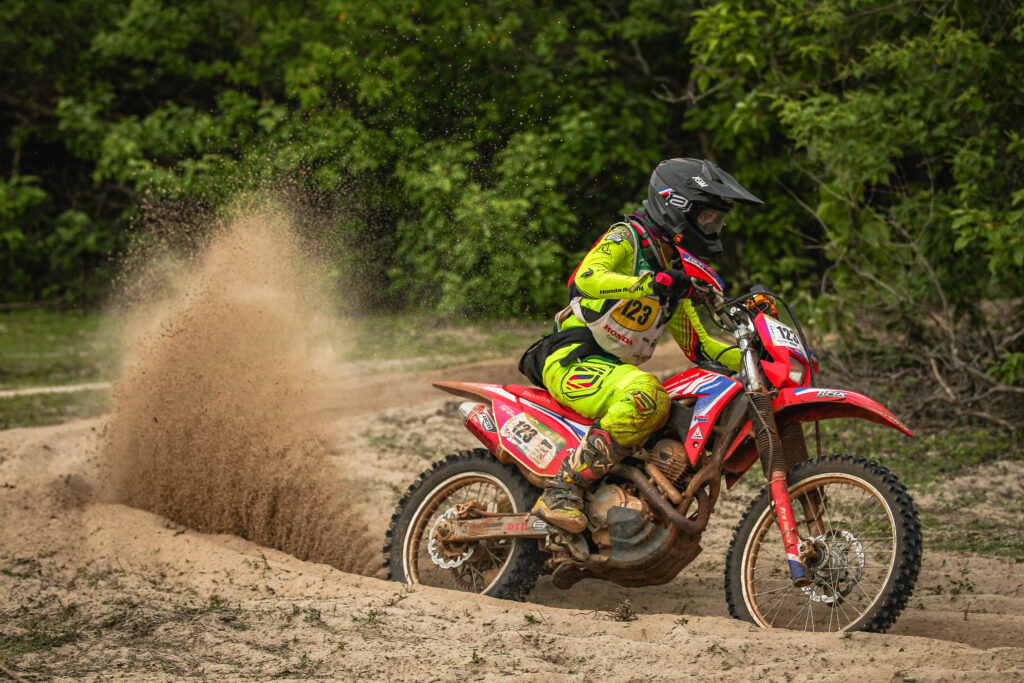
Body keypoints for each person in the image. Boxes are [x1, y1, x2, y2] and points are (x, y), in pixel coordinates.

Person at [519, 158, 763, 533]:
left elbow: (700, 347)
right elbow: (586, 279)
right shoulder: (627, 238)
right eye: (708, 218)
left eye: (718, 220)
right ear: (677, 205)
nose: (713, 227)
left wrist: (756, 356)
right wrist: (646, 283)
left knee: (681, 402)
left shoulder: (675, 272)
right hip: (572, 357)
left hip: (613, 371)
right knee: (647, 395)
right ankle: (561, 489)